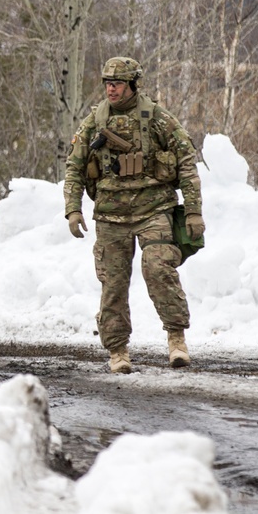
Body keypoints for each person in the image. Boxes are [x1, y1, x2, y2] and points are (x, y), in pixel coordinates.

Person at [64, 57, 204, 374]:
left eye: (117, 83)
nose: (111, 88)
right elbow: (73, 167)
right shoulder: (94, 122)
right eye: (107, 83)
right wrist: (73, 209)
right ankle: (118, 351)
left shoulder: (156, 118)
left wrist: (193, 210)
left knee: (158, 267)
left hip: (154, 208)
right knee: (113, 284)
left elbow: (186, 161)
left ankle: (176, 339)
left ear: (133, 85)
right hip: (111, 216)